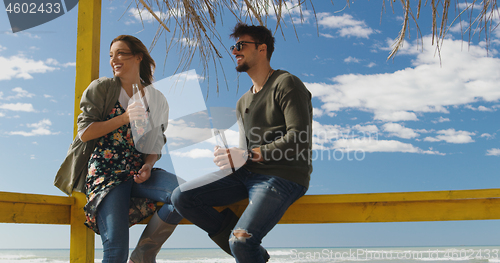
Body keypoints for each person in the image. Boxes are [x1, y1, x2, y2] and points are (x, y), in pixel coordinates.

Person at [171, 23, 313, 263]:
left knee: (242, 239)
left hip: (283, 176)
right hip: (245, 175)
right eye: (233, 47)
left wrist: (246, 156)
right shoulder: (242, 100)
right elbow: (244, 150)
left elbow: (298, 139)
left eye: (240, 45)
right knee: (181, 197)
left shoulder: (286, 83)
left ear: (262, 49)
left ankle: (243, 247)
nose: (234, 51)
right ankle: (249, 252)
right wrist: (230, 158)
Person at [54, 35, 183, 263]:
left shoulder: (156, 99)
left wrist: (148, 165)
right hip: (106, 176)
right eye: (111, 55)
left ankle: (143, 255)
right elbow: (85, 132)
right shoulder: (102, 88)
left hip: (137, 174)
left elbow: (155, 142)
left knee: (185, 193)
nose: (115, 59)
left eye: (121, 53)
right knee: (115, 253)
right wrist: (124, 118)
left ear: (138, 57)